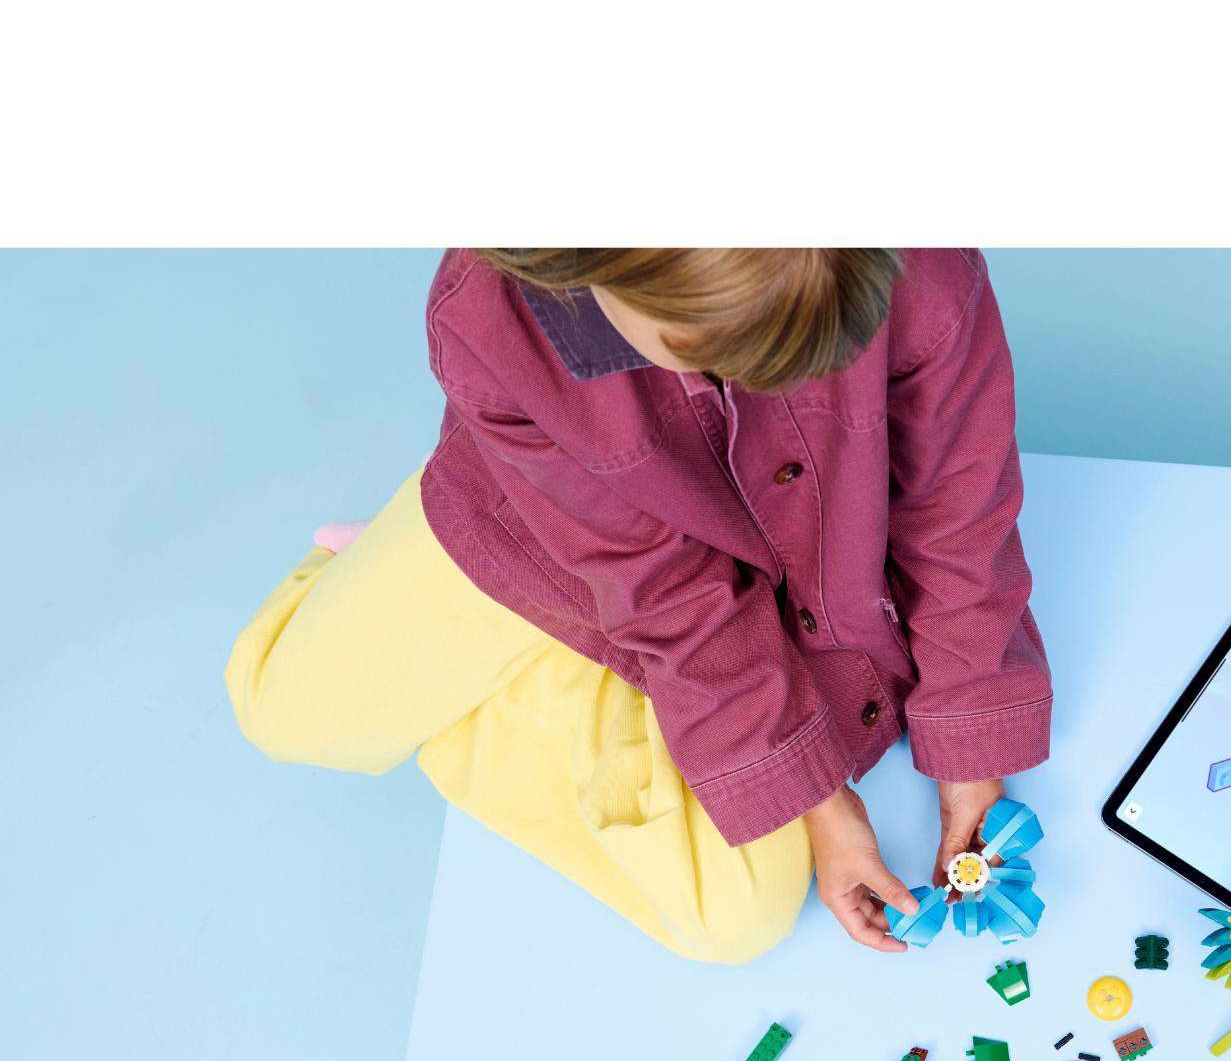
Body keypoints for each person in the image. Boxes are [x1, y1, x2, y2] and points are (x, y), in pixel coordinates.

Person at [227, 248, 1051, 962]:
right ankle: (389, 560)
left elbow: (958, 512)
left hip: (746, 595)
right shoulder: (495, 316)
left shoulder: (924, 265)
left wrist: (969, 753)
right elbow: (664, 594)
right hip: (549, 537)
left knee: (735, 919)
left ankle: (530, 675)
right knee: (283, 714)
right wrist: (822, 801)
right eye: (716, 352)